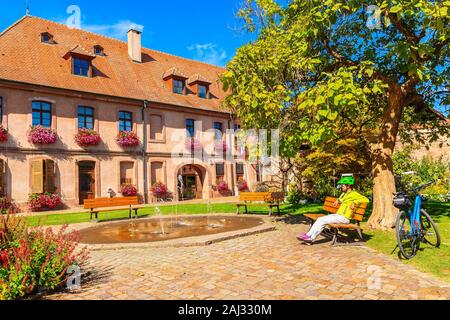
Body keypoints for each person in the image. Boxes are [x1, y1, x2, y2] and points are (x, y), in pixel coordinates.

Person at [297, 176, 369, 244]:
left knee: (322, 220)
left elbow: (366, 199)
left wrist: (354, 202)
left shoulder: (354, 194)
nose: (341, 187)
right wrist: (338, 200)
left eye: (343, 185)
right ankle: (308, 235)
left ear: (348, 186)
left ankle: (311, 238)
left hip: (344, 218)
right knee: (320, 219)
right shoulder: (345, 194)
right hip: (339, 216)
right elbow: (343, 199)